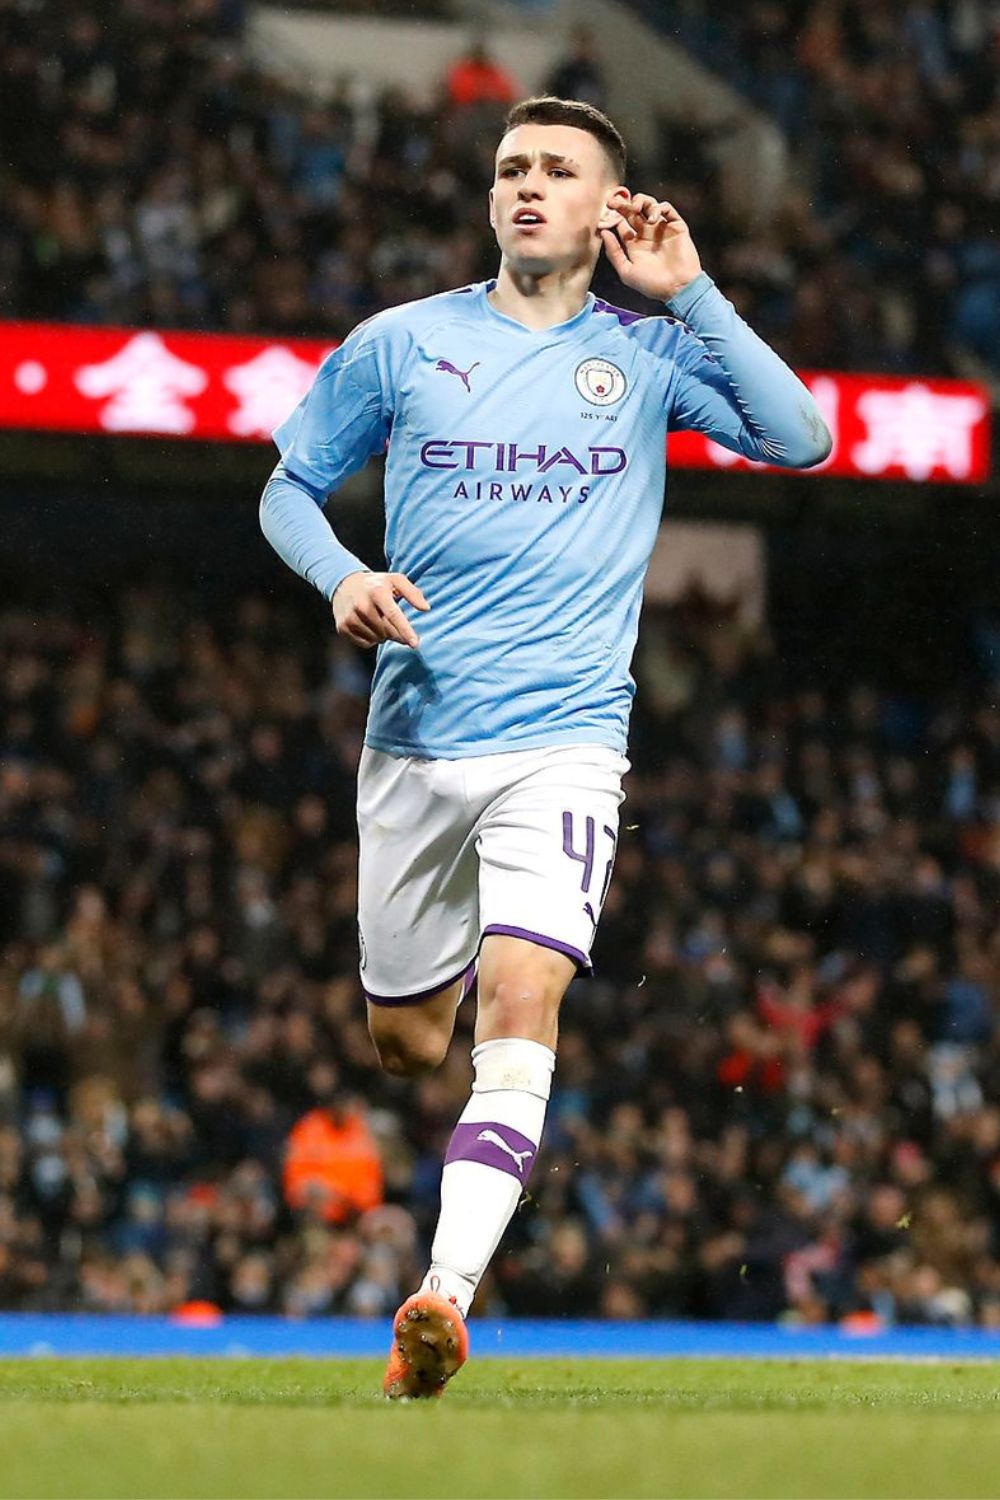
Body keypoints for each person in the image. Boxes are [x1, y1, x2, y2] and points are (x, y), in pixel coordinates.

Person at [259, 95, 831, 1398]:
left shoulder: (650, 353)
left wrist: (697, 294)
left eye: (557, 170)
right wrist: (341, 577)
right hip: (414, 743)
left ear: (605, 208)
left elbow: (804, 438)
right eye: (511, 167)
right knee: (407, 1047)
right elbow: (287, 487)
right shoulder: (402, 345)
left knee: (525, 1006)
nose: (527, 186)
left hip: (564, 743)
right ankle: (447, 986)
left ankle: (440, 1301)